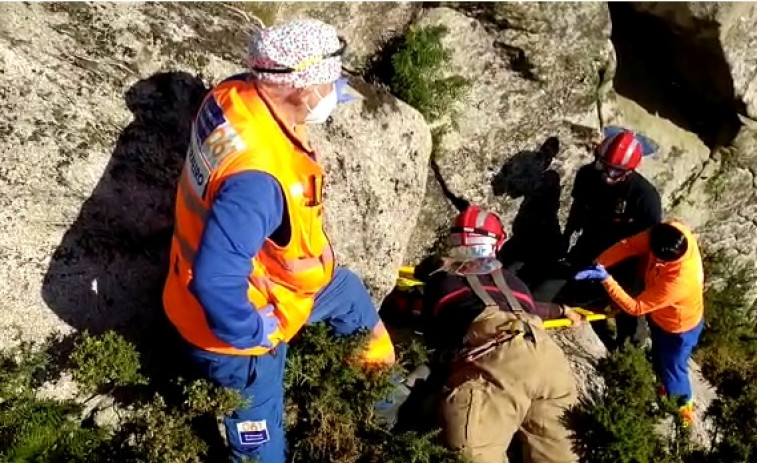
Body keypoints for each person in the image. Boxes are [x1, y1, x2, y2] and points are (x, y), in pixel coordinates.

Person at [162, 19, 395, 463]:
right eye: (332, 81)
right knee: (259, 449)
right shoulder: (259, 180)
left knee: (347, 294)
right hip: (235, 336)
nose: (338, 90)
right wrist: (251, 331)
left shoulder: (233, 97)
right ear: (303, 91)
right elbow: (214, 279)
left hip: (276, 282)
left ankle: (384, 398)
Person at [414, 205, 583, 463]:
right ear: (496, 243)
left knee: (472, 452)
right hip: (550, 361)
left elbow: (433, 333)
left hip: (499, 363)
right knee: (559, 454)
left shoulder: (442, 281)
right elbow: (532, 307)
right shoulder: (513, 281)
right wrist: (562, 309)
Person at [575, 220, 705, 426]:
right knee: (660, 358)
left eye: (659, 260)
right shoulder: (670, 233)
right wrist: (600, 263)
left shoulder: (679, 282)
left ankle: (683, 411)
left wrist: (606, 279)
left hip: (678, 328)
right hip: (662, 317)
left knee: (673, 369)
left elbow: (636, 308)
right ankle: (664, 386)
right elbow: (630, 245)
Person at [550, 127, 663, 351]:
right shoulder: (587, 176)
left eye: (615, 172)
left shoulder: (644, 197)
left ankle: (629, 347)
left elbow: (651, 242)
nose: (606, 175)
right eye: (603, 166)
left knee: (627, 305)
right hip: (591, 246)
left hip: (627, 261)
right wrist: (567, 235)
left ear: (629, 171)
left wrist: (642, 280)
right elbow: (578, 207)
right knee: (565, 291)